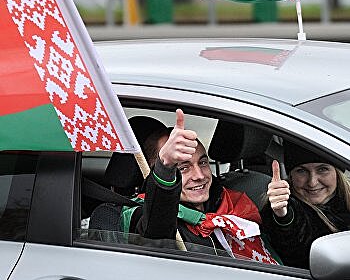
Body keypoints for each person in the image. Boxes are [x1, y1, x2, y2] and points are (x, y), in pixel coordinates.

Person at [120, 109, 281, 264]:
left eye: (203, 162)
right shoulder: (144, 215)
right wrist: (165, 168)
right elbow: (156, 238)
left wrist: (283, 218)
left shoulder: (232, 202)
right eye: (183, 168)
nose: (199, 175)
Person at [261, 141, 350, 269]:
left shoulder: (345, 199)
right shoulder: (289, 206)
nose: (312, 182)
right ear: (291, 176)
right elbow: (291, 241)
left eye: (322, 169)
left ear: (337, 172)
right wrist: (282, 216)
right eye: (302, 171)